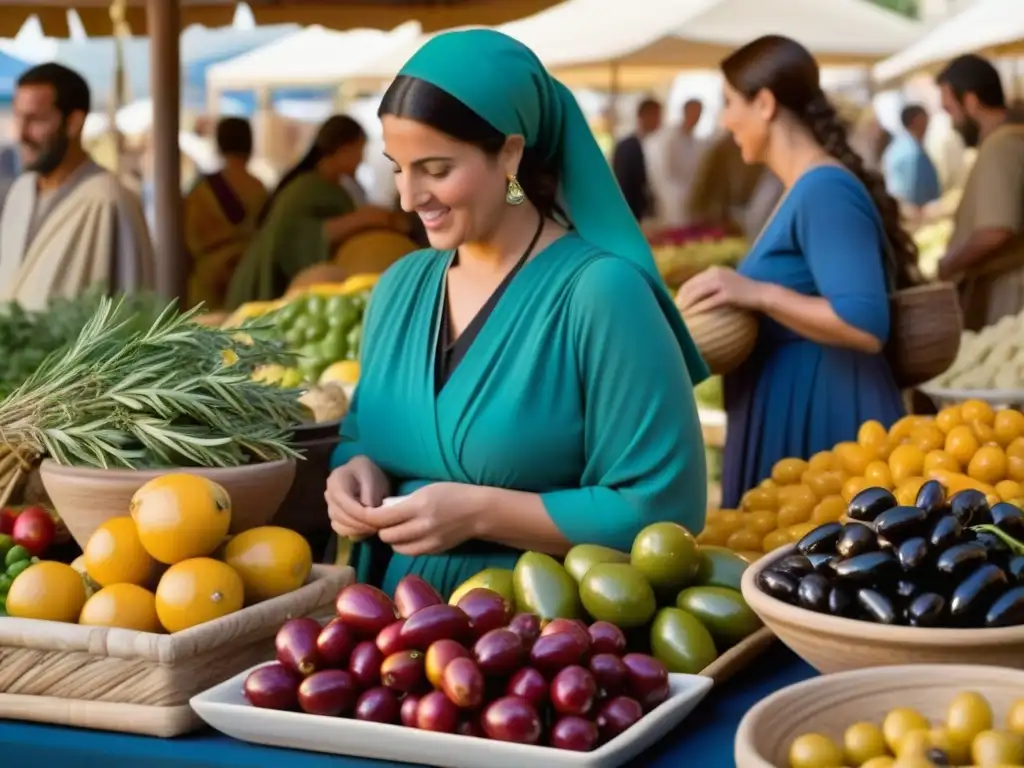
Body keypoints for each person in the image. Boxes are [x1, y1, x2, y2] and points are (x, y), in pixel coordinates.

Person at [324, 29, 709, 598]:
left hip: (546, 648)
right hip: (388, 645)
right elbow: (362, 432)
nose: (409, 198)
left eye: (435, 168)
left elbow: (662, 508)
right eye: (398, 168)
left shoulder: (601, 294)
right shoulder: (398, 288)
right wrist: (355, 470)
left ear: (509, 153)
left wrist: (482, 513)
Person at [676, 35, 914, 508]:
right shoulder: (803, 188)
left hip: (826, 424)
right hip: (800, 417)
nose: (724, 120)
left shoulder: (824, 190)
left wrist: (757, 293)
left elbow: (864, 324)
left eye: (728, 103)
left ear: (764, 103)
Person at [0, 63, 153, 310]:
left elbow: (134, 306)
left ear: (74, 123)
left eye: (35, 120)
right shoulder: (21, 190)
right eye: (18, 116)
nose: (20, 134)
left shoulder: (109, 200)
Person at [226, 115, 405, 308]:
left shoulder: (337, 188)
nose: (361, 159)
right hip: (265, 288)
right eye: (358, 150)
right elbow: (299, 239)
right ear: (342, 148)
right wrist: (364, 219)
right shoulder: (305, 189)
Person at [934, 54, 1024, 330]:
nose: (952, 122)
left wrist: (948, 266)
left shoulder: (1000, 145)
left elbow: (996, 230)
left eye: (950, 110)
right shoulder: (1009, 139)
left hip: (1010, 295)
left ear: (971, 101)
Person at [183, 117, 268, 310]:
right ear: (250, 145)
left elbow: (187, 239)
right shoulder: (260, 189)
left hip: (208, 279)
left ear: (219, 144)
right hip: (248, 276)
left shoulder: (201, 189)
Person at [650, 98, 707, 228]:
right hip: (671, 203)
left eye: (699, 112)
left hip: (693, 201)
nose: (696, 116)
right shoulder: (668, 139)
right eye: (694, 111)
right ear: (685, 112)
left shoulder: (697, 143)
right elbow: (663, 174)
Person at [882, 104, 941, 227]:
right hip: (916, 218)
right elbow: (910, 193)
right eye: (925, 118)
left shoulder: (905, 145)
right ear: (916, 121)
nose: (928, 123)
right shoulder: (910, 152)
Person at [612, 98, 662, 222]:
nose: (659, 121)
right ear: (643, 116)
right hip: (630, 214)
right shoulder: (628, 146)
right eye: (655, 116)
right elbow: (623, 182)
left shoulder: (656, 144)